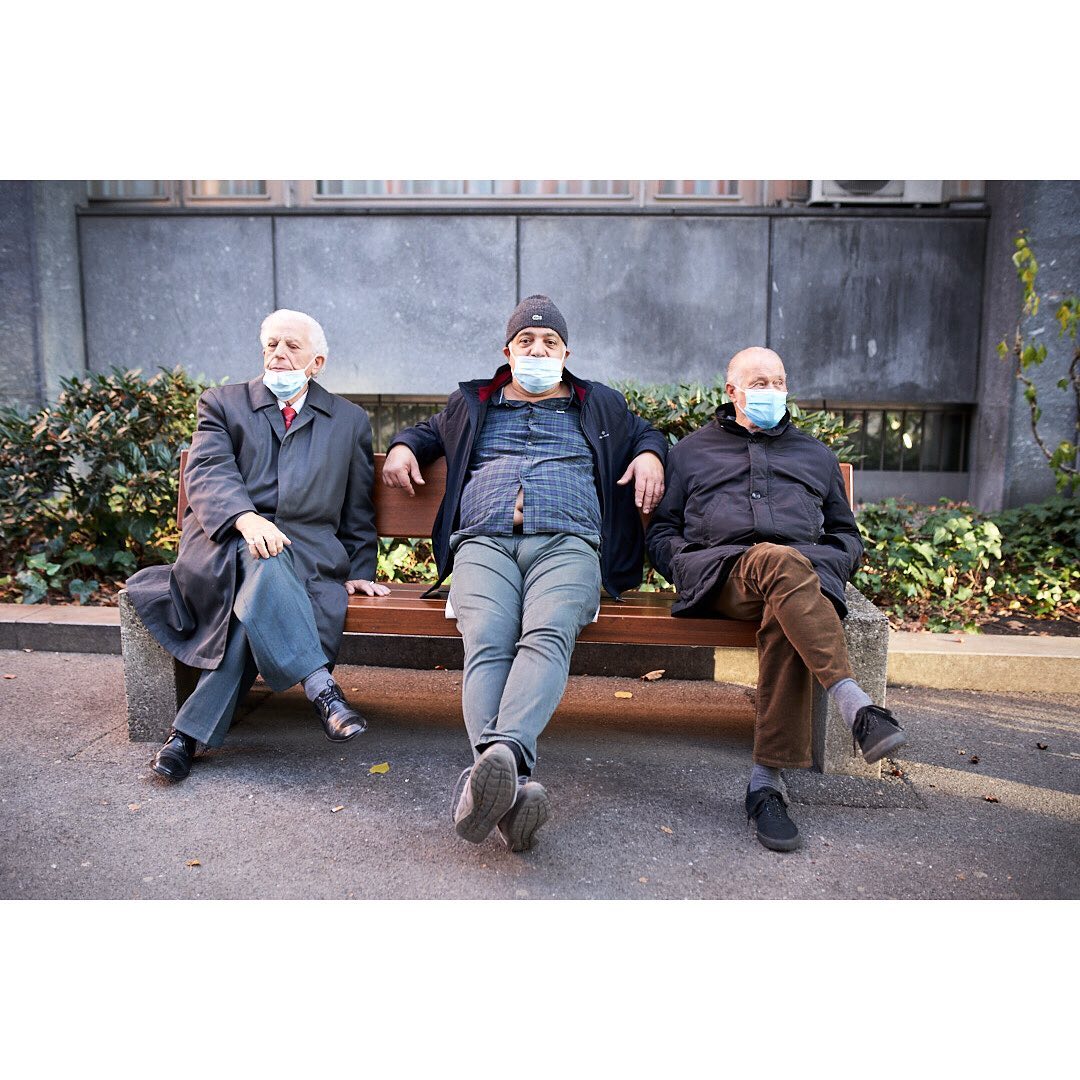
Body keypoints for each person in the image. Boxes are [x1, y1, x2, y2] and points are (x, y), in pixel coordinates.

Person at [383, 295, 667, 852]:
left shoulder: (600, 404)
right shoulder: (472, 403)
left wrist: (652, 455)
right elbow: (426, 431)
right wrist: (400, 446)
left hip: (569, 542)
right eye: (526, 343)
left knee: (547, 633)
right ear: (507, 351)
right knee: (486, 638)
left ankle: (497, 765)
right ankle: (510, 792)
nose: (538, 350)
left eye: (550, 343)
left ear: (566, 353)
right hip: (483, 540)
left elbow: (644, 433)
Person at [646, 346, 907, 853]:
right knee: (777, 561)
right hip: (724, 578)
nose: (771, 391)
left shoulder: (816, 455)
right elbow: (661, 532)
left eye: (779, 382)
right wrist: (687, 564)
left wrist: (821, 567)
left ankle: (765, 785)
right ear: (732, 392)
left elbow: (846, 536)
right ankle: (857, 707)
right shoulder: (690, 453)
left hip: (797, 587)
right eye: (759, 382)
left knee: (784, 601)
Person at [127, 309, 388, 782]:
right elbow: (207, 472)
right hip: (224, 545)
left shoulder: (348, 420)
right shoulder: (223, 404)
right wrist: (246, 518)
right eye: (271, 344)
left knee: (259, 596)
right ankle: (321, 687)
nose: (279, 354)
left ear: (318, 362)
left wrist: (360, 569)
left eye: (292, 346)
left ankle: (185, 738)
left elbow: (357, 509)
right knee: (263, 560)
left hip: (307, 554)